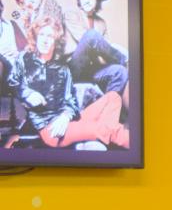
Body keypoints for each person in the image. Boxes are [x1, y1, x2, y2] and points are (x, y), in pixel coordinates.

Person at [4, 15, 129, 150]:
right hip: (52, 130)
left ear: (56, 41)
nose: (45, 40)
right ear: (36, 37)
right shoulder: (24, 59)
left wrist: (65, 116)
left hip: (67, 121)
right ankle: (114, 137)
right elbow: (12, 81)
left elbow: (71, 101)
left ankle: (95, 136)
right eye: (42, 35)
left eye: (50, 36)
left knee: (113, 97)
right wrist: (27, 93)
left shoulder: (62, 69)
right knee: (106, 129)